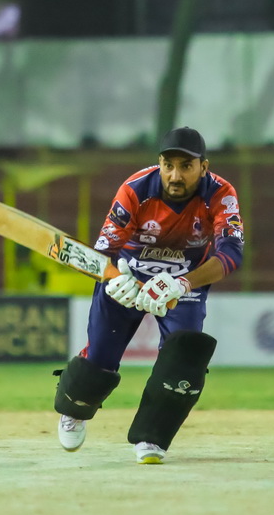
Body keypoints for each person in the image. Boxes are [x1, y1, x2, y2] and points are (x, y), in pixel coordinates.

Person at [52, 126, 245, 464]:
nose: (175, 175)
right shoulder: (136, 189)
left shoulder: (220, 194)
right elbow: (102, 251)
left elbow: (231, 252)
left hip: (181, 284)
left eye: (186, 166)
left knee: (184, 358)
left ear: (204, 167)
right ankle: (75, 409)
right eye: (168, 165)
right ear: (159, 163)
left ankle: (152, 436)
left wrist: (183, 284)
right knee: (101, 355)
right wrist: (116, 279)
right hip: (127, 277)